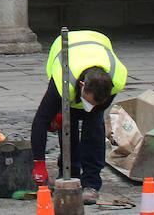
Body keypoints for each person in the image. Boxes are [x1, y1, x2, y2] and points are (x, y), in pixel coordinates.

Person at [29, 30, 127, 206]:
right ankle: (69, 173)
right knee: (67, 122)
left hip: (98, 41)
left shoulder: (118, 78)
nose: (90, 107)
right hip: (64, 48)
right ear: (82, 86)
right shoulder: (62, 80)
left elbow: (96, 108)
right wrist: (39, 163)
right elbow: (40, 121)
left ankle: (91, 183)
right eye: (88, 101)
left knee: (94, 125)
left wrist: (93, 108)